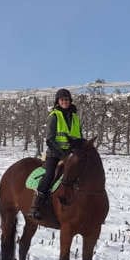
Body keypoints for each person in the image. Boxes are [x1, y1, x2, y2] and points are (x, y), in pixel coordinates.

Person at [30, 88, 82, 219]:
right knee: (49, 176)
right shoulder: (54, 116)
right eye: (62, 100)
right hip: (55, 154)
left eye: (67, 99)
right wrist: (62, 153)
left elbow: (79, 137)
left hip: (71, 154)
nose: (65, 102)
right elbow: (50, 139)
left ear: (70, 101)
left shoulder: (75, 117)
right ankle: (35, 206)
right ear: (58, 102)